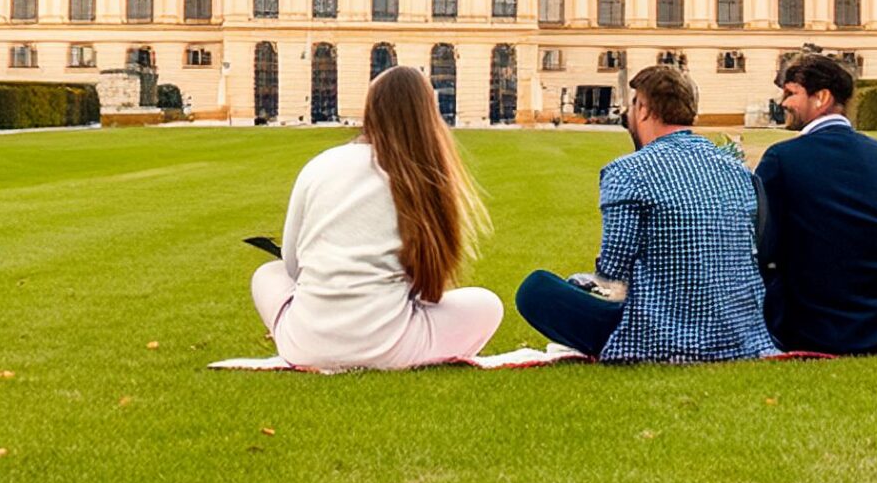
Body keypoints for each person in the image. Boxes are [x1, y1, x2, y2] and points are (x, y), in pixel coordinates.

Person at [515, 64, 777, 362]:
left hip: (658, 337)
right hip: (740, 334)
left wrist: (580, 282)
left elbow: (613, 272)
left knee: (535, 289)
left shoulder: (627, 172)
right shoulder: (737, 170)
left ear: (643, 109)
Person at [249, 66, 503, 370]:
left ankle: (322, 340)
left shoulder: (322, 164)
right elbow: (425, 285)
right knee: (487, 304)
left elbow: (292, 264)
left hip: (305, 344)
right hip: (391, 347)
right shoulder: (426, 178)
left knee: (268, 273)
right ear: (428, 115)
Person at [756, 53, 877, 355]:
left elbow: (762, 247)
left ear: (821, 97)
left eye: (791, 93)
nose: (783, 103)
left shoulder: (781, 159)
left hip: (810, 326)